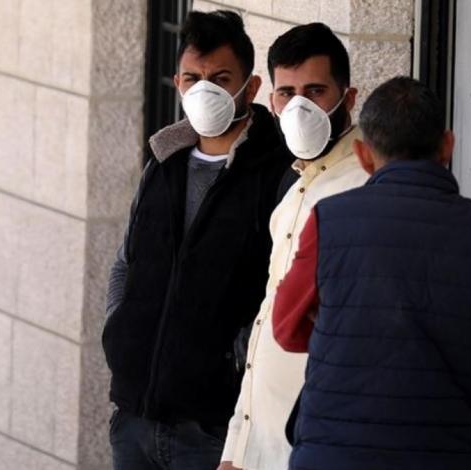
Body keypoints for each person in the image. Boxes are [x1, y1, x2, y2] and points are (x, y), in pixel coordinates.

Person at [272, 76, 471, 469]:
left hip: (334, 454)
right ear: (447, 146)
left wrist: (345, 331)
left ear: (363, 155)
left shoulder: (331, 221)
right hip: (447, 455)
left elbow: (286, 329)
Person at [101, 10, 292, 470]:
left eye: (221, 79)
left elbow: (283, 289)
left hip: (213, 430)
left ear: (251, 87)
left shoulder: (277, 174)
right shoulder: (162, 163)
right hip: (135, 417)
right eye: (193, 78)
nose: (205, 90)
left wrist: (236, 364)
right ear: (177, 84)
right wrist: (119, 331)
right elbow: (126, 261)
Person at [219, 23, 369, 470]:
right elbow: (267, 320)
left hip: (315, 445)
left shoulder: (365, 188)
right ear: (272, 102)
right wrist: (236, 447)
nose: (299, 106)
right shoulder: (294, 187)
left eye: (315, 91)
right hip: (261, 442)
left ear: (349, 98)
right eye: (287, 93)